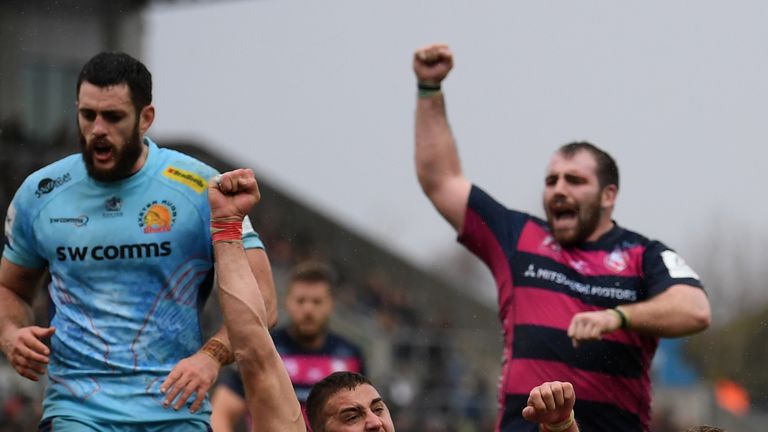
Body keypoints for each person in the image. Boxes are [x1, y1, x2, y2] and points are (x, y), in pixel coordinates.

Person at [412, 43, 711, 432]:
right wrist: (429, 90)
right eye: (551, 180)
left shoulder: (641, 254)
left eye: (575, 180)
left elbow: (695, 309)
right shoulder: (516, 237)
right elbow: (440, 180)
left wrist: (616, 317)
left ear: (609, 196)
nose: (558, 189)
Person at [0, 52, 277, 431]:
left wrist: (210, 358)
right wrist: (10, 333)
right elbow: (9, 288)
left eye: (113, 117)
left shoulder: (199, 189)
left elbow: (265, 300)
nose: (98, 129)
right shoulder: (41, 194)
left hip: (176, 412)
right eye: (87, 115)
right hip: (78, 413)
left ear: (146, 118)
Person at [209, 168, 578, 432]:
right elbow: (252, 349)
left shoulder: (350, 350)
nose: (373, 422)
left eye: (379, 409)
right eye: (351, 417)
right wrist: (228, 227)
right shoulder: (275, 357)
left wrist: (561, 425)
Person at [211, 261, 365, 431]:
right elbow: (221, 413)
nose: (308, 309)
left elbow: (362, 417)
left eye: (317, 302)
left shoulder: (351, 356)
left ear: (331, 305)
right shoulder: (261, 348)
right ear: (287, 302)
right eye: (301, 301)